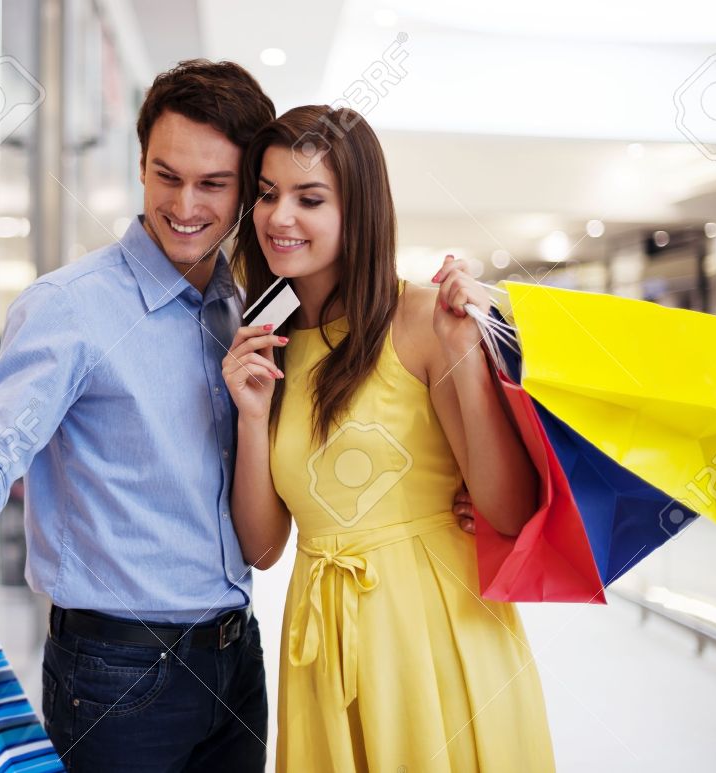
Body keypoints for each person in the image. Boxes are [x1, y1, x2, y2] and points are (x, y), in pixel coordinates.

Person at [0, 63, 477, 772]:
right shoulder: (70, 306)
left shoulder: (256, 310)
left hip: (237, 660)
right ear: (141, 166)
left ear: (248, 190)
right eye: (166, 175)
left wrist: (443, 487)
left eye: (213, 183)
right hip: (115, 676)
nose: (184, 204)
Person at [224, 105, 555, 772]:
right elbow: (263, 549)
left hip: (435, 633)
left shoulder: (425, 319)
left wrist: (464, 353)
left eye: (309, 198)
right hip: (321, 643)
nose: (279, 217)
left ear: (360, 210)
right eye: (267, 194)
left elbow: (509, 511)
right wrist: (251, 417)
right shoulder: (265, 338)